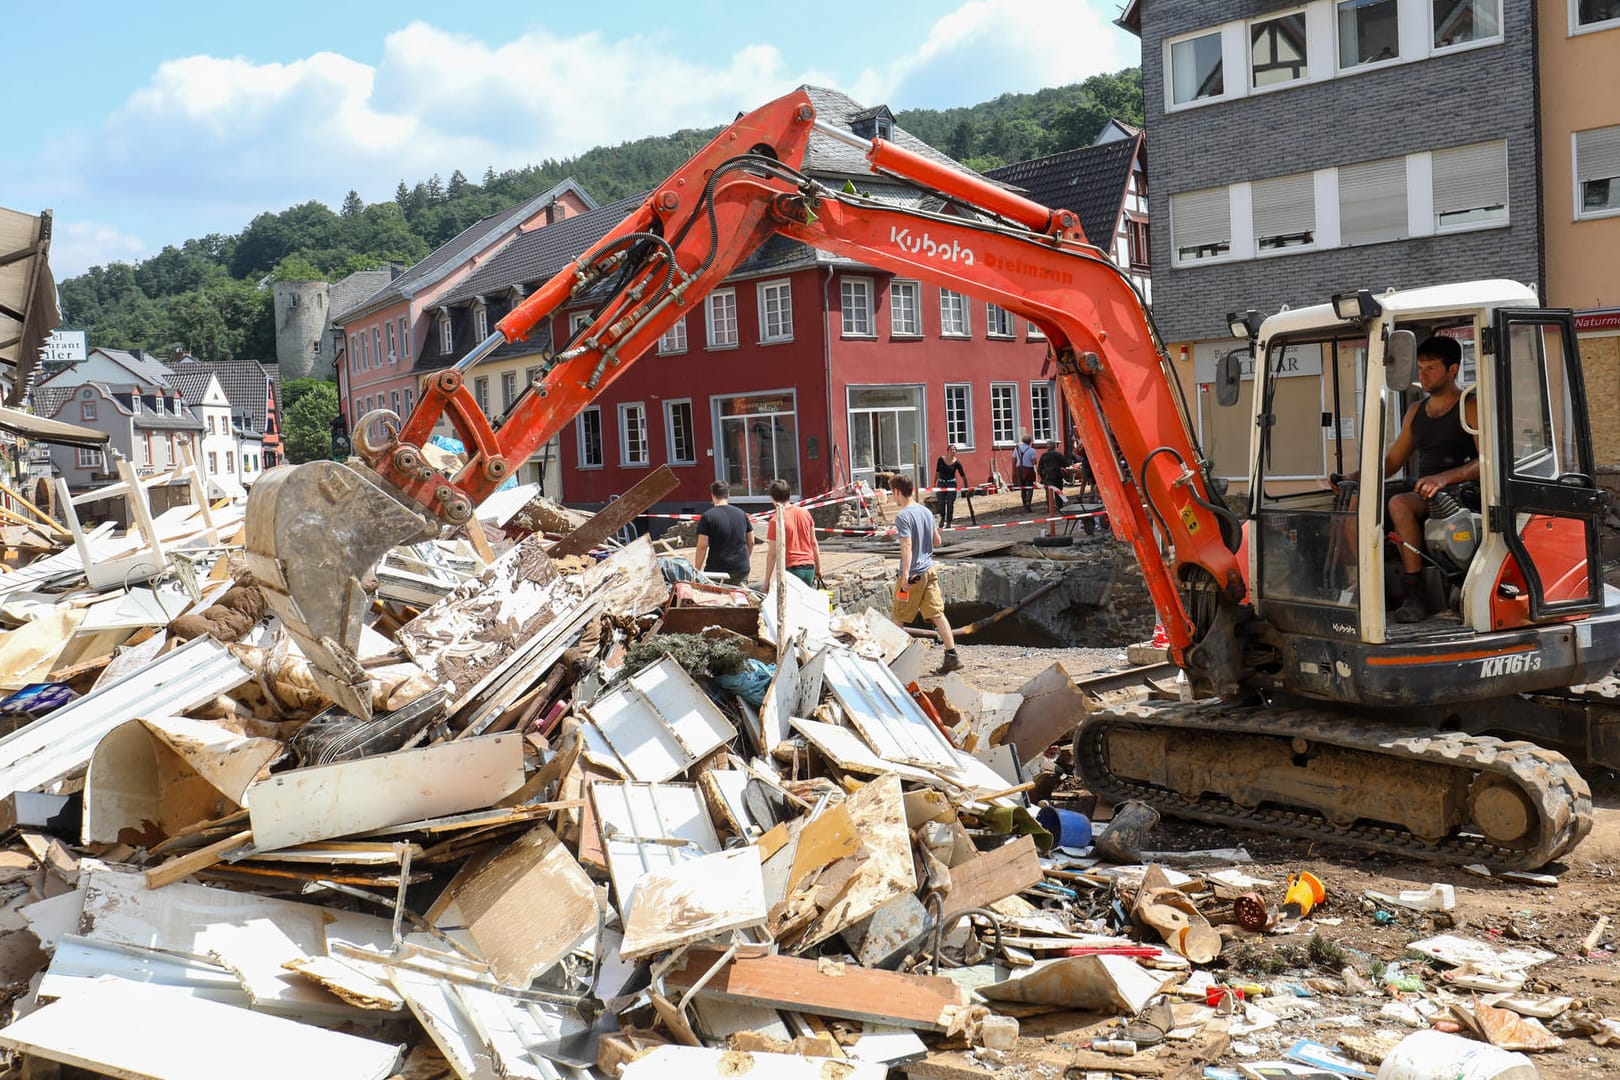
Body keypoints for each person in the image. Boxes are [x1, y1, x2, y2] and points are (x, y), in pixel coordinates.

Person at [1335, 335, 1478, 623]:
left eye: (1431, 368)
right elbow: (1391, 463)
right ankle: (1369, 584)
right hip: (1425, 490)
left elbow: (1486, 460)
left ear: (1453, 370)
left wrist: (1444, 478)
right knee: (1355, 504)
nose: (1422, 376)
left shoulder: (1469, 406)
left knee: (1399, 503)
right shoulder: (1415, 412)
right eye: (1420, 368)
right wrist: (1354, 477)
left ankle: (1415, 594)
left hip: (1460, 492)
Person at [890, 474, 962, 673]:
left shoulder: (903, 516)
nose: (893, 499)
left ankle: (894, 662)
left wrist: (905, 577)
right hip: (930, 571)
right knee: (938, 614)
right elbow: (938, 541)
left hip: (913, 575)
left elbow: (906, 546)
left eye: (893, 494)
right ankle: (952, 656)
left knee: (898, 618)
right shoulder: (927, 512)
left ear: (897, 492)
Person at [762, 478, 822, 588]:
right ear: (789, 494)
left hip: (792, 568)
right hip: (809, 567)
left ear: (772, 498)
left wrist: (766, 580)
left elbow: (772, 553)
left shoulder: (775, 520)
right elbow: (813, 543)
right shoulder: (805, 513)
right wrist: (818, 568)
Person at [693, 480, 754, 585]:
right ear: (728, 495)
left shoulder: (707, 517)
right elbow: (751, 541)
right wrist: (744, 559)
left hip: (717, 570)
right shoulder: (742, 514)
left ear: (712, 495)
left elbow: (702, 545)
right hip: (741, 569)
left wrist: (696, 570)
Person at [934, 445, 968, 528]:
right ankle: (942, 517)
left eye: (954, 450)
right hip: (941, 483)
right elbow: (937, 472)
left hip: (951, 484)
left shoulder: (957, 463)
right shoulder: (941, 460)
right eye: (951, 450)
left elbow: (963, 475)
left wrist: (966, 487)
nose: (953, 451)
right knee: (941, 502)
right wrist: (934, 482)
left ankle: (949, 521)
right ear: (947, 451)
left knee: (950, 503)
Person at [1013, 434, 1038, 511]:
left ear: (1023, 441)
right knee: (1030, 487)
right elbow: (1034, 462)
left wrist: (1014, 472)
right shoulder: (1032, 450)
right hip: (1028, 469)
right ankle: (1028, 502)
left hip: (1019, 469)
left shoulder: (1016, 449)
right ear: (1030, 442)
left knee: (1022, 488)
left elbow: (1014, 461)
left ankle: (1024, 504)